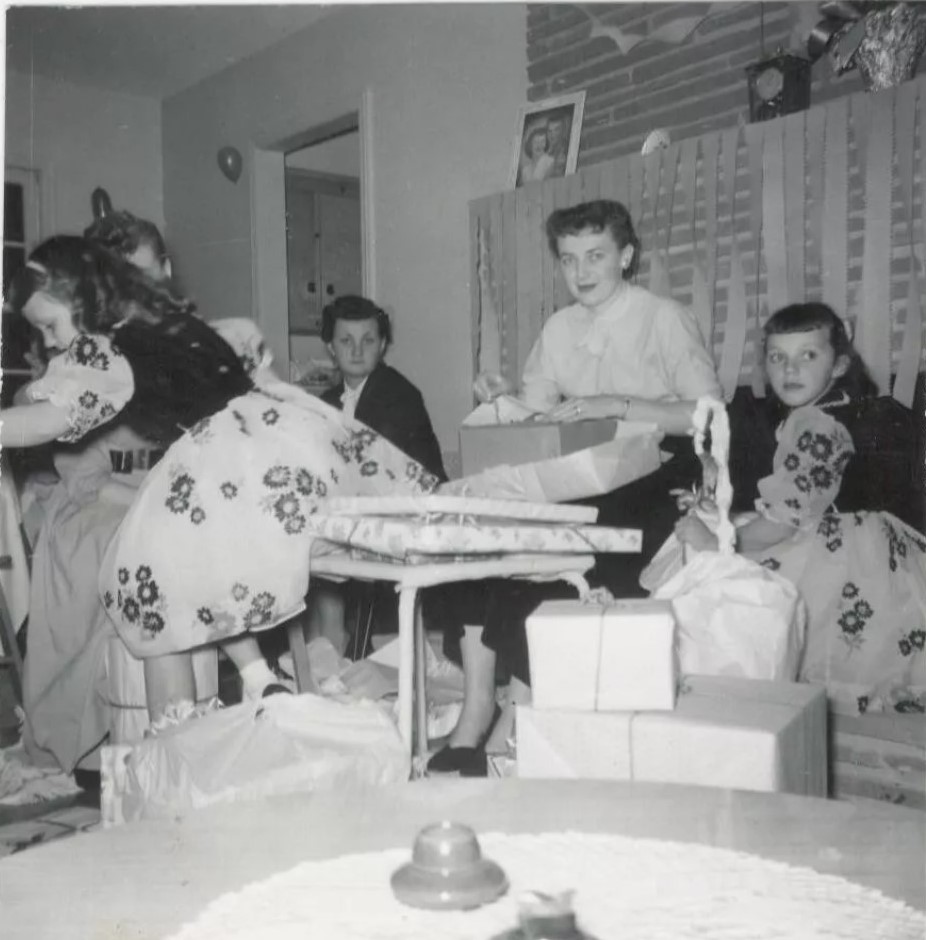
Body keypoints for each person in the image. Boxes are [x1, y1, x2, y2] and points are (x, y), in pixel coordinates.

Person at [430, 199, 722, 775]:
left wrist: (618, 403)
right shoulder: (559, 327)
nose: (581, 272)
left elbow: (709, 412)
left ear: (626, 256)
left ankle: (520, 709)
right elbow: (536, 412)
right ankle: (477, 708)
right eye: (568, 260)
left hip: (658, 469)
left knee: (548, 549)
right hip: (579, 471)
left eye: (596, 256)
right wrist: (500, 396)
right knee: (479, 527)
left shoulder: (662, 316)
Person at [18, 211, 219, 774]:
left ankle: (220, 709)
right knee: (140, 552)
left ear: (166, 269)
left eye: (147, 274)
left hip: (167, 491)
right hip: (99, 499)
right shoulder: (89, 353)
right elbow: (65, 445)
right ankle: (122, 740)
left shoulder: (178, 341)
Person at [675, 302, 926, 716]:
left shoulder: (815, 425)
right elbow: (800, 499)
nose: (790, 369)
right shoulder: (830, 410)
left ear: (840, 364)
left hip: (840, 561)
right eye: (778, 357)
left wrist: (718, 541)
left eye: (807, 355)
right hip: (863, 545)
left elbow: (784, 522)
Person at [307, 294, 448, 655]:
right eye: (345, 341)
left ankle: (343, 647)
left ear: (383, 345)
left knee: (326, 549)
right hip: (361, 513)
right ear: (330, 348)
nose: (356, 350)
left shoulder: (397, 395)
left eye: (368, 340)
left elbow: (384, 476)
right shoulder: (326, 401)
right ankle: (331, 647)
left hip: (408, 514)